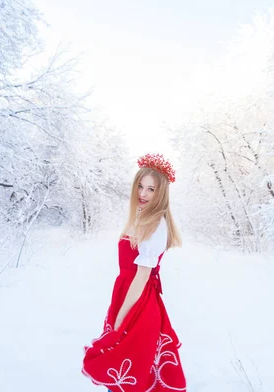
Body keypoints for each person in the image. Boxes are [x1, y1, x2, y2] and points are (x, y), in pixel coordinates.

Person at [82, 153, 187, 392]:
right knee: (125, 367)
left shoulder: (156, 224)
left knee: (127, 367)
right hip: (128, 295)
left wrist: (121, 317)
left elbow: (141, 276)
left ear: (161, 194)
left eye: (151, 189)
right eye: (140, 186)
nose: (143, 194)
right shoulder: (142, 217)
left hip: (138, 302)